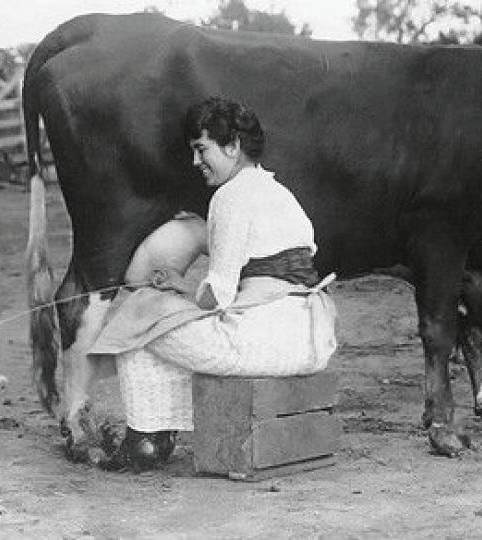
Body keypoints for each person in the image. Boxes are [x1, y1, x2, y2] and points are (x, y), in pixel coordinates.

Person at [92, 96, 337, 471]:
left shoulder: (230, 196)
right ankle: (157, 432)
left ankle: (146, 438)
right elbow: (272, 277)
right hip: (311, 340)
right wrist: (183, 288)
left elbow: (218, 296)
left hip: (262, 348)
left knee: (139, 316)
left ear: (233, 146)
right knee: (164, 318)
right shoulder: (283, 195)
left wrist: (173, 294)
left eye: (201, 149)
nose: (195, 161)